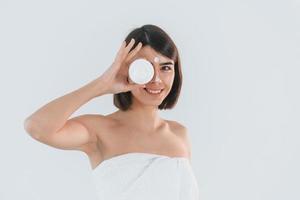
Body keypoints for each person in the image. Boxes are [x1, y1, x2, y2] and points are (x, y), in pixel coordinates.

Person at [24, 24, 200, 200]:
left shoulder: (179, 133)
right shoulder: (99, 130)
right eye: (145, 68)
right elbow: (37, 127)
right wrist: (102, 84)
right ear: (126, 69)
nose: (156, 79)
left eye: (166, 67)